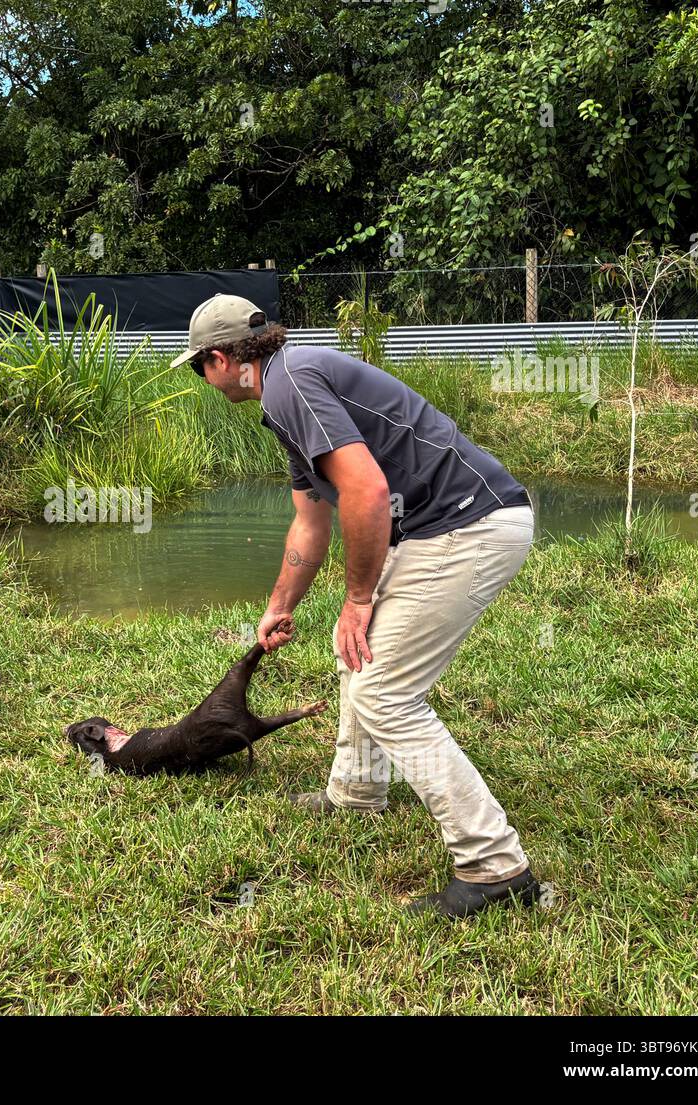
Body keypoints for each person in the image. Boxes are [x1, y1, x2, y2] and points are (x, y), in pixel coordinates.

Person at [171, 293, 539, 918]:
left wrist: (359, 597)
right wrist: (279, 604)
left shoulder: (291, 386)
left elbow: (366, 492)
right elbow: (311, 522)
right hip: (439, 528)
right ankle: (357, 790)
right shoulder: (288, 387)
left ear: (219, 359)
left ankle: (494, 866)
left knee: (386, 692)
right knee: (359, 654)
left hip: (468, 527)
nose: (203, 380)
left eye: (199, 367)